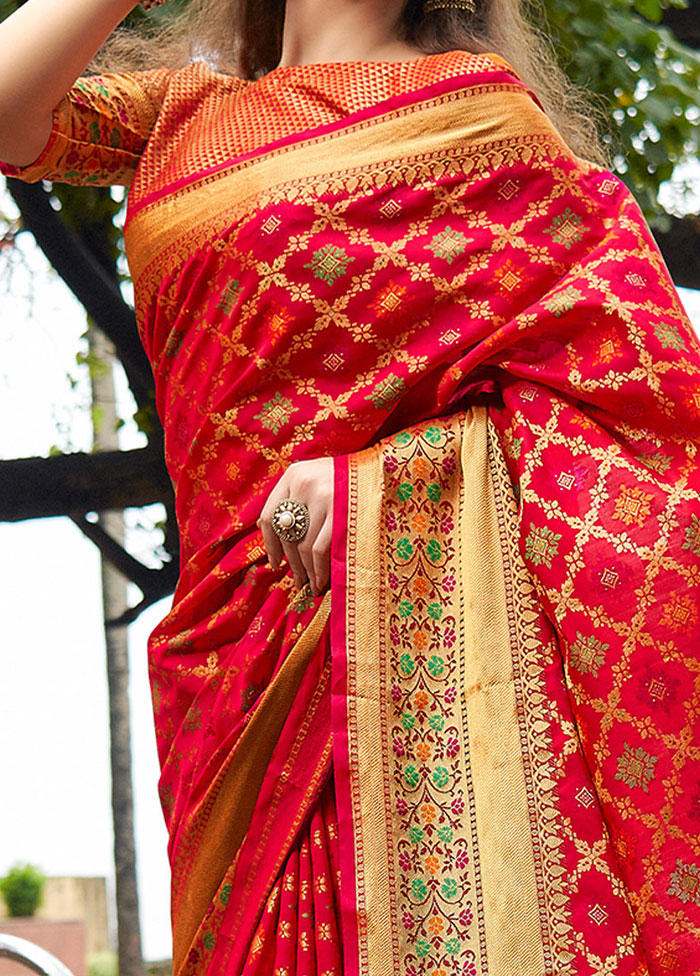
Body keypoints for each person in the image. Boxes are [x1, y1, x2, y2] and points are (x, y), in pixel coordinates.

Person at [1, 0, 699, 972]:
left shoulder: (485, 128)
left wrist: (385, 489)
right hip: (222, 678)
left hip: (404, 710)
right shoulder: (181, 115)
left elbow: (646, 417)